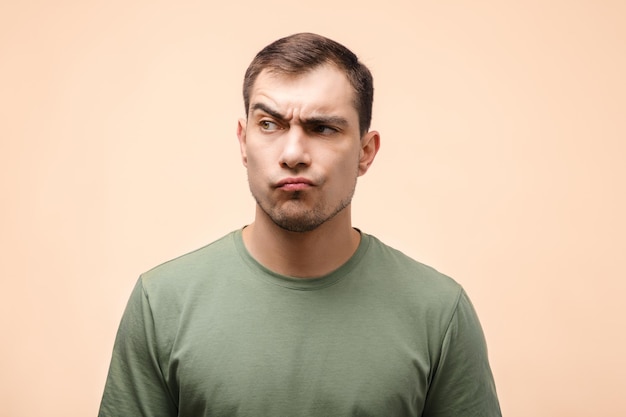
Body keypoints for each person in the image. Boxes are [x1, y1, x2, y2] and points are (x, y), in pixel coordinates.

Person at [98, 32, 501, 416]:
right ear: (243, 141)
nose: (292, 153)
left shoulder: (438, 312)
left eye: (322, 128)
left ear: (366, 151)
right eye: (269, 124)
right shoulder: (162, 304)